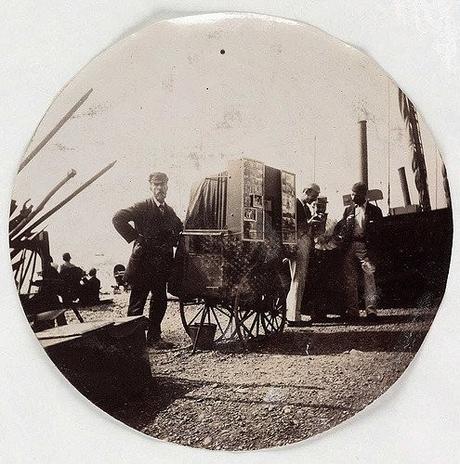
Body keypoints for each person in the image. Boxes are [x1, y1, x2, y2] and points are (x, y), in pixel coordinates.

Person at [112, 172, 183, 348]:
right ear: (150, 187)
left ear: (167, 187)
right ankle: (132, 341)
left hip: (161, 265)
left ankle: (154, 338)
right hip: (143, 264)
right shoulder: (142, 206)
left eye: (163, 185)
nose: (160, 188)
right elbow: (118, 218)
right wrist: (137, 238)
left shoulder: (169, 211)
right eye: (156, 185)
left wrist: (173, 240)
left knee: (160, 302)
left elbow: (179, 228)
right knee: (137, 303)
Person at [341, 182, 383, 321]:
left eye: (355, 194)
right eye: (352, 194)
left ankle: (371, 312)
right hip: (350, 247)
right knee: (349, 280)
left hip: (366, 247)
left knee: (369, 278)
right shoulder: (348, 210)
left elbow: (379, 234)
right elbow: (342, 229)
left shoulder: (375, 211)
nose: (352, 197)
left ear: (363, 194)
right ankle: (353, 312)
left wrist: (373, 253)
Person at [286, 183, 324, 327]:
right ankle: (294, 317)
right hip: (300, 242)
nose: (313, 200)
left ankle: (293, 313)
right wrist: (310, 222)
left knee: (297, 279)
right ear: (307, 191)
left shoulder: (303, 206)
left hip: (304, 242)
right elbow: (294, 226)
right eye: (313, 196)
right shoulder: (295, 203)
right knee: (298, 279)